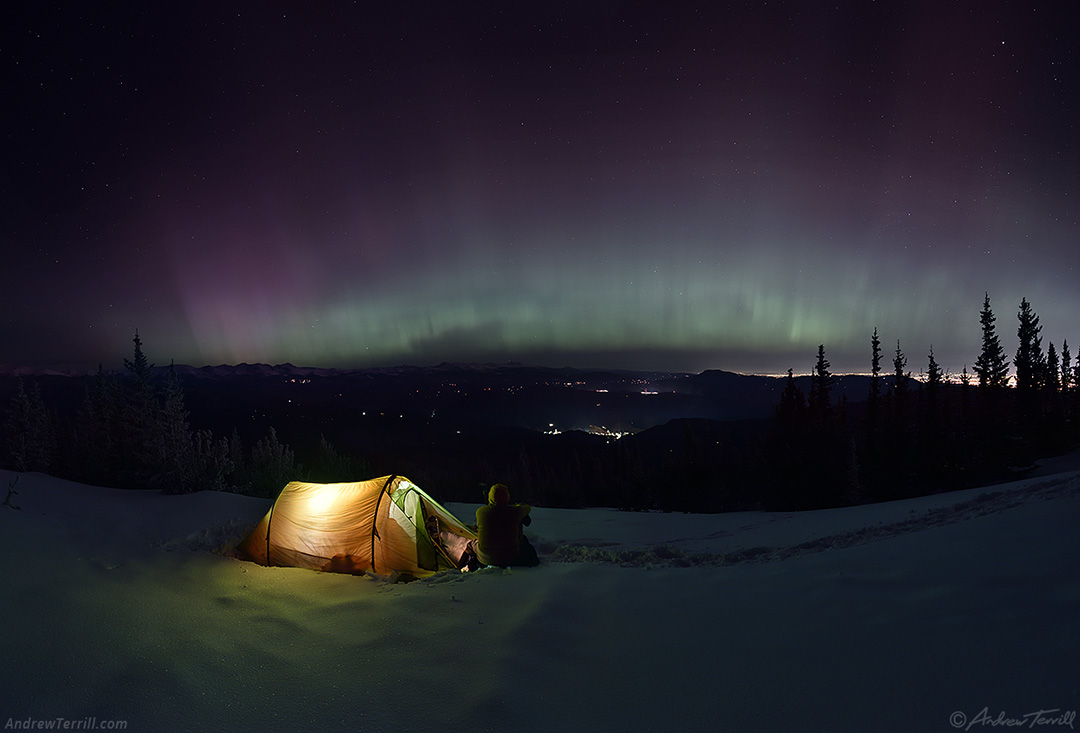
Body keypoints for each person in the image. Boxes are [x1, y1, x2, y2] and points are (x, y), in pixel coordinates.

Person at [473, 483, 539, 568]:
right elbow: (526, 508)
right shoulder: (514, 512)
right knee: (527, 547)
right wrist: (517, 506)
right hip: (511, 558)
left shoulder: (481, 512)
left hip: (484, 559)